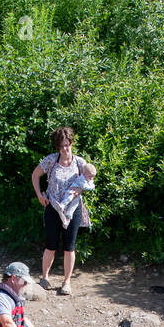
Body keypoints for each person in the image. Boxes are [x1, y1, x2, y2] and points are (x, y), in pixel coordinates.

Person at [31, 126, 95, 296]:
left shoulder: (80, 163)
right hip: (52, 207)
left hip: (72, 210)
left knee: (69, 247)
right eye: (60, 146)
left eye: (66, 145)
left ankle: (66, 282)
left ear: (71, 143)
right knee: (50, 245)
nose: (64, 149)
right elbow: (35, 175)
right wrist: (39, 195)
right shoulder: (51, 160)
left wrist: (80, 190)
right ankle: (44, 278)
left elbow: (89, 181)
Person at [52, 162, 96, 230]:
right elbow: (84, 186)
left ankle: (68, 216)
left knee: (74, 204)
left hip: (77, 195)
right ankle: (62, 205)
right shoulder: (82, 178)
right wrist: (91, 187)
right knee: (69, 198)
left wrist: (92, 186)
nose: (91, 178)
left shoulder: (89, 179)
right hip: (71, 191)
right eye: (90, 176)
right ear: (84, 174)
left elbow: (91, 185)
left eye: (93, 176)